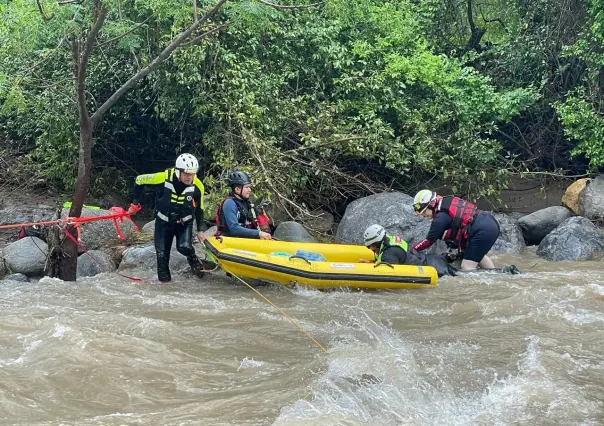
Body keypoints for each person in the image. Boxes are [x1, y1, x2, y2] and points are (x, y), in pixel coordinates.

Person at [128, 153, 206, 282]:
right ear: (178, 171)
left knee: (184, 247)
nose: (190, 177)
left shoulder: (198, 186)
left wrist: (200, 230)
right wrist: (135, 204)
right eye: (186, 173)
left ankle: (194, 260)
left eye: (192, 173)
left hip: (184, 223)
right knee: (162, 256)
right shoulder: (162, 178)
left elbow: (199, 208)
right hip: (163, 222)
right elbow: (139, 180)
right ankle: (166, 288)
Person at [411, 189, 500, 271]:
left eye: (424, 212)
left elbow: (428, 241)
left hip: (482, 230)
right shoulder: (446, 202)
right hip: (489, 222)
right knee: (477, 256)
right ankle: (498, 275)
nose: (424, 215)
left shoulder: (440, 218)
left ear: (431, 205)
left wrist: (411, 250)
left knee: (466, 267)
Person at [361, 224, 456, 277]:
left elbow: (389, 275)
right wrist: (370, 262)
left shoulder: (388, 253)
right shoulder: (390, 240)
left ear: (376, 243)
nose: (370, 249)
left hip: (434, 269)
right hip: (435, 260)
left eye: (369, 246)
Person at [215, 171, 272, 239]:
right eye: (247, 187)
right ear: (237, 189)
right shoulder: (229, 203)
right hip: (228, 240)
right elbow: (234, 229)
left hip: (243, 239)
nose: (250, 190)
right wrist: (258, 233)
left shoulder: (246, 202)